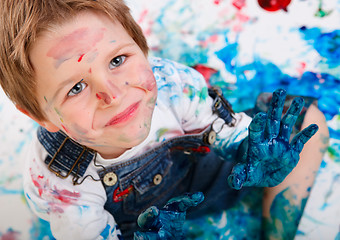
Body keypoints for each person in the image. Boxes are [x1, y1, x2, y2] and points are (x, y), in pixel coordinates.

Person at [0, 0, 329, 239]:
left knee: (300, 119)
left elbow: (223, 130)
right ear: (40, 116)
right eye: (76, 87)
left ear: (141, 47)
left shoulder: (174, 85)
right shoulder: (56, 182)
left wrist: (251, 152)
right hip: (136, 229)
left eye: (118, 59)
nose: (113, 94)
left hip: (207, 181)